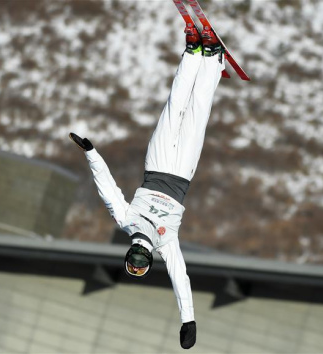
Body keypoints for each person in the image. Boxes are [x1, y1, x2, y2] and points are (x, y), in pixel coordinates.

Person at [69, 23, 224, 350]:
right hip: (181, 172)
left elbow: (107, 188)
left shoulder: (126, 221)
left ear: (129, 252)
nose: (139, 257)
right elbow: (180, 281)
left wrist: (92, 153)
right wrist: (188, 320)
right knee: (196, 116)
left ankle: (192, 52)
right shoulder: (167, 246)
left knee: (175, 107)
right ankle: (210, 58)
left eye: (133, 260)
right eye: (141, 263)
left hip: (156, 166)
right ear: (149, 259)